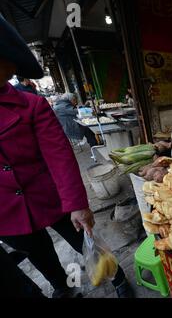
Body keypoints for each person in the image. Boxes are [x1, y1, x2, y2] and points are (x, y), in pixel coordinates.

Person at [0, 15, 134, 297]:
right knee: (41, 257)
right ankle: (63, 287)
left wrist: (77, 204)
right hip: (7, 213)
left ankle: (118, 277)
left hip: (51, 197)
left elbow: (59, 157)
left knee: (83, 239)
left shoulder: (31, 105)